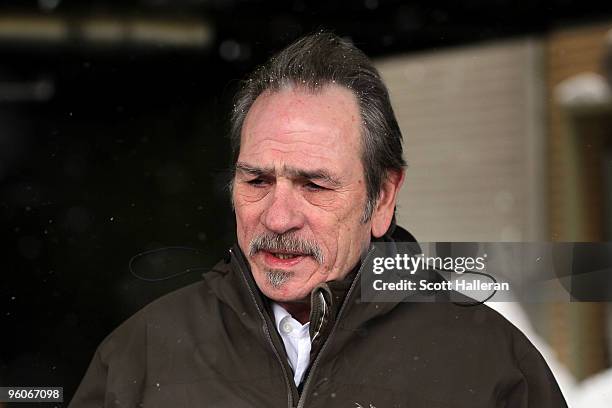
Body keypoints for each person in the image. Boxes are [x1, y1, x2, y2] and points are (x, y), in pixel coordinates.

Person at [69, 32, 567, 408]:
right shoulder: (140, 355)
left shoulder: (488, 364)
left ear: (383, 197)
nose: (279, 217)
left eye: (314, 185)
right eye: (257, 181)